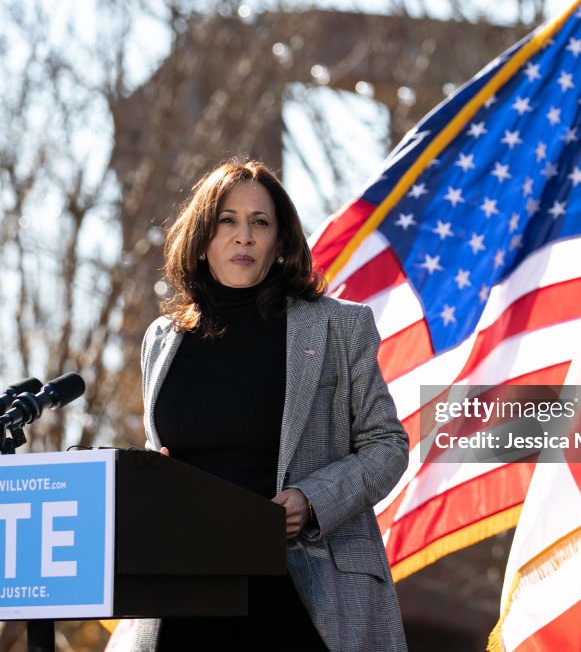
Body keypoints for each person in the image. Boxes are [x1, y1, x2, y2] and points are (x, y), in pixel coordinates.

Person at [133, 159, 409, 651]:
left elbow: (387, 446)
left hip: (298, 589)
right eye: (227, 220)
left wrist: (312, 500)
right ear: (201, 238)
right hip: (186, 589)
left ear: (280, 242)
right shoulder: (162, 339)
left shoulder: (337, 328)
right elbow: (163, 453)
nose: (244, 236)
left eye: (259, 222)